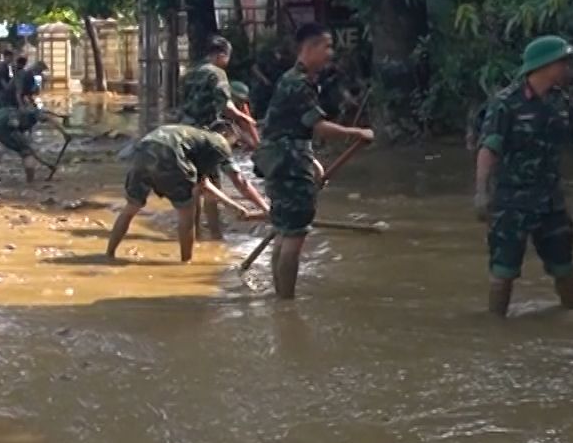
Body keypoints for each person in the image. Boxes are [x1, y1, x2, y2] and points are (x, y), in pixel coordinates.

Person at [473, 36, 573, 318]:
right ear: (546, 65)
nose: (568, 68)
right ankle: (495, 329)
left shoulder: (561, 102)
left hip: (550, 203)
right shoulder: (506, 104)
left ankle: (572, 320)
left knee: (565, 269)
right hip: (511, 203)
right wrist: (481, 192)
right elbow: (488, 148)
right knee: (503, 272)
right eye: (563, 62)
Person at [254, 23, 375, 299]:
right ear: (309, 48)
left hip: (280, 162)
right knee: (293, 237)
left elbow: (294, 129)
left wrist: (314, 163)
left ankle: (279, 299)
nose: (330, 53)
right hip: (289, 166)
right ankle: (286, 303)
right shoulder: (299, 83)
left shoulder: (292, 79)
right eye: (326, 46)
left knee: (284, 232)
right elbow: (318, 126)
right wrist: (357, 132)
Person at [107, 124, 270, 262]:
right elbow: (239, 181)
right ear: (226, 133)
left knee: (131, 208)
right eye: (235, 144)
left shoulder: (194, 137)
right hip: (170, 153)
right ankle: (186, 262)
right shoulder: (219, 142)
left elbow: (203, 183)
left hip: (143, 149)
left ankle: (109, 254)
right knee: (187, 213)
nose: (233, 148)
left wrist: (235, 206)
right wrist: (263, 208)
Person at [181, 35, 260, 147]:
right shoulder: (216, 73)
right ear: (222, 55)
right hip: (204, 131)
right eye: (228, 57)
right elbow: (227, 108)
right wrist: (246, 118)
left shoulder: (189, 73)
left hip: (183, 128)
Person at [0, 104, 64, 184]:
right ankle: (30, 182)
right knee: (27, 154)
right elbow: (47, 117)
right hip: (5, 127)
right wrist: (64, 133)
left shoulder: (16, 111)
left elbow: (48, 116)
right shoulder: (33, 114)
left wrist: (47, 164)